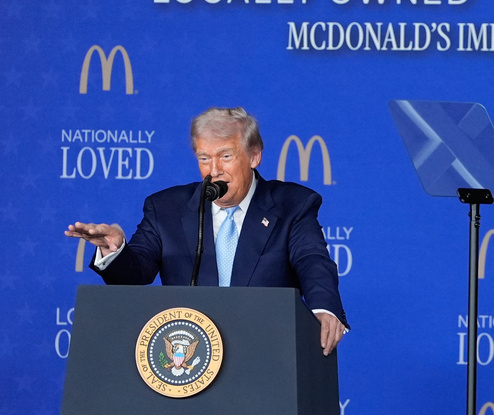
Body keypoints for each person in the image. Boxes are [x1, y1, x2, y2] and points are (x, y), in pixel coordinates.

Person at [66, 107, 349, 355]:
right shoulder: (165, 208)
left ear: (254, 156)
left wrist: (324, 309)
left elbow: (312, 260)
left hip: (267, 355)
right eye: (204, 158)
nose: (213, 170)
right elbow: (136, 271)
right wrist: (115, 250)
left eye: (225, 156)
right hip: (189, 358)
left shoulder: (293, 205)